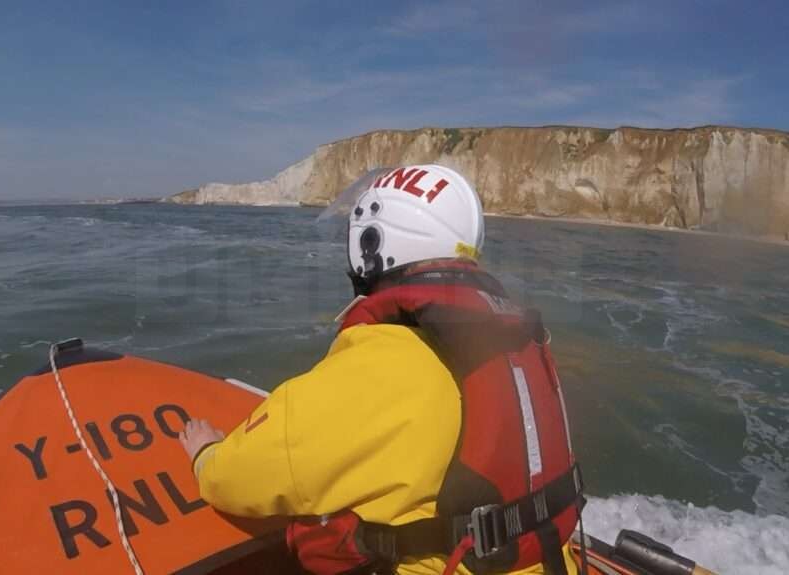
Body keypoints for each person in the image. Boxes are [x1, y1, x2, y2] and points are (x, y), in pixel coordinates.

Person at [181, 165, 584, 575]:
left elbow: (247, 475)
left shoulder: (386, 361)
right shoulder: (520, 339)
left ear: (372, 245)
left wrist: (205, 456)